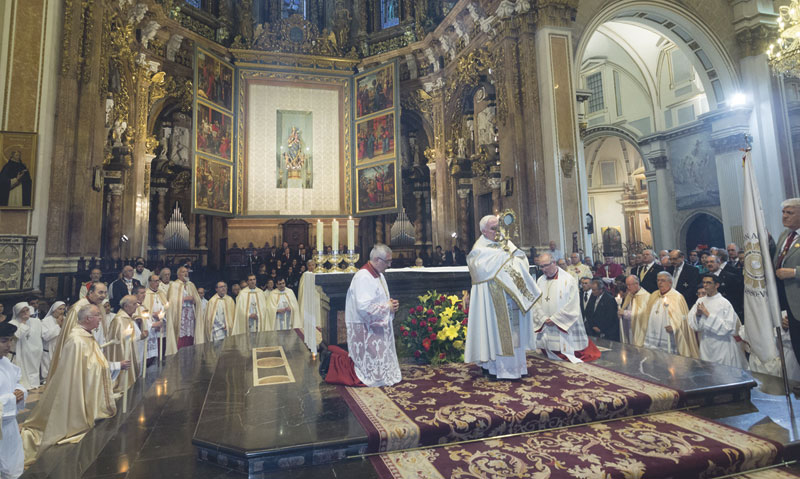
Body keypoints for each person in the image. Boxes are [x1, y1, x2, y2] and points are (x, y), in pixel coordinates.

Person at [20, 304, 130, 465]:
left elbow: (91, 364)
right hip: (73, 388)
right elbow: (91, 368)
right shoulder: (77, 340)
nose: (101, 319)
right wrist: (115, 366)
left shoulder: (85, 335)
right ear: (88, 319)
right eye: (98, 316)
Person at [465, 215, 540, 379]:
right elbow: (478, 270)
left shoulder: (506, 242)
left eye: (499, 227)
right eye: (493, 229)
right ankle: (494, 368)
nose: (497, 232)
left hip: (512, 295)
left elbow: (521, 258)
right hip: (493, 299)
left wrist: (509, 259)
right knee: (495, 334)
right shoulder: (479, 248)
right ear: (484, 231)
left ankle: (516, 368)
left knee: (515, 334)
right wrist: (503, 259)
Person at [326, 244, 401, 387]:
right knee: (368, 365)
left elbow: (379, 300)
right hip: (365, 328)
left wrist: (391, 304)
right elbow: (364, 307)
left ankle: (382, 374)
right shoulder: (363, 277)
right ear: (377, 260)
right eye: (388, 262)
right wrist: (387, 307)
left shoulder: (379, 276)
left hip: (376, 327)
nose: (389, 265)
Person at [532, 253, 598, 361]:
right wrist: (543, 318)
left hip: (561, 323)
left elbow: (573, 304)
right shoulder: (540, 280)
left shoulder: (568, 280)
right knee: (546, 350)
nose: (543, 269)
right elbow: (536, 302)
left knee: (570, 352)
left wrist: (555, 319)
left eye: (545, 266)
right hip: (546, 322)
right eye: (541, 266)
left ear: (553, 263)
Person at [687, 274, 747, 369]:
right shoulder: (700, 301)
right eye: (704, 282)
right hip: (705, 344)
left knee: (723, 373)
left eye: (709, 283)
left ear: (717, 285)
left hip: (721, 345)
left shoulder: (724, 303)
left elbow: (728, 328)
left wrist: (708, 315)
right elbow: (693, 324)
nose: (705, 285)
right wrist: (698, 315)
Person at [643, 272, 699, 359]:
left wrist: (674, 326)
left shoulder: (677, 297)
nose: (660, 283)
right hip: (653, 330)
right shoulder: (654, 294)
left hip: (669, 333)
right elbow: (647, 313)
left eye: (663, 280)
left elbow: (682, 316)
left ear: (670, 282)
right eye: (658, 280)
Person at [0, 321, 26, 479]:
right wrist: (11, 399)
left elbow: (17, 381)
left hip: (9, 425)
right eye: (4, 341)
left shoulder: (6, 362)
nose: (9, 345)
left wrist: (20, 391)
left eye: (10, 340)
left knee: (12, 466)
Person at [776, 198, 800, 362]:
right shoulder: (785, 235)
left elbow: (789, 270)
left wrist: (794, 272)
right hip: (788, 304)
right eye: (783, 212)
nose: (784, 216)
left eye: (789, 213)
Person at [165, 266, 204, 355]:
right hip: (180, 315)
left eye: (187, 271)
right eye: (183, 272)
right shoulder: (174, 285)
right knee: (180, 336)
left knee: (190, 335)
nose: (186, 273)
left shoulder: (191, 285)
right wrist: (184, 299)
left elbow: (197, 300)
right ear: (178, 275)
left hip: (190, 315)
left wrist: (194, 299)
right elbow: (172, 301)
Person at [107, 295, 141, 393]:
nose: (137, 306)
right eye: (134, 304)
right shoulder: (119, 320)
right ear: (126, 306)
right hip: (122, 354)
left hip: (131, 350)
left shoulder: (128, 318)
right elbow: (121, 343)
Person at [9, 303, 42, 389]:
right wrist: (23, 323)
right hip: (18, 354)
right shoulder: (13, 323)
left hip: (31, 353)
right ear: (17, 313)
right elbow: (16, 336)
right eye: (22, 311)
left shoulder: (35, 321)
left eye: (27, 310)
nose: (25, 313)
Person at [298, 259, 321, 356]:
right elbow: (303, 288)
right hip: (308, 297)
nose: (312, 267)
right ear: (307, 266)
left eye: (313, 265)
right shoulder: (306, 274)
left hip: (317, 297)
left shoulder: (319, 273)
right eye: (310, 265)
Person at [142, 275, 167, 362]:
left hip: (162, 324)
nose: (157, 283)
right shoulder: (146, 294)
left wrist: (162, 314)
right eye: (155, 281)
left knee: (162, 347)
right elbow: (143, 310)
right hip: (152, 325)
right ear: (150, 282)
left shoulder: (162, 293)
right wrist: (153, 314)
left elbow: (167, 307)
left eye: (158, 281)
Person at [620, 275, 649, 346]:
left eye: (630, 285)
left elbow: (642, 314)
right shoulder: (630, 294)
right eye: (627, 285)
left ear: (636, 284)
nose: (628, 287)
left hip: (639, 327)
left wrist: (624, 313)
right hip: (628, 326)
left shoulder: (645, 296)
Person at [40, 301, 65, 381]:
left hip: (60, 350)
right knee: (47, 376)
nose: (62, 311)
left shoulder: (65, 319)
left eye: (63, 309)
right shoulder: (45, 321)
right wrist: (58, 326)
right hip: (48, 351)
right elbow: (46, 337)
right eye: (60, 309)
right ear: (54, 310)